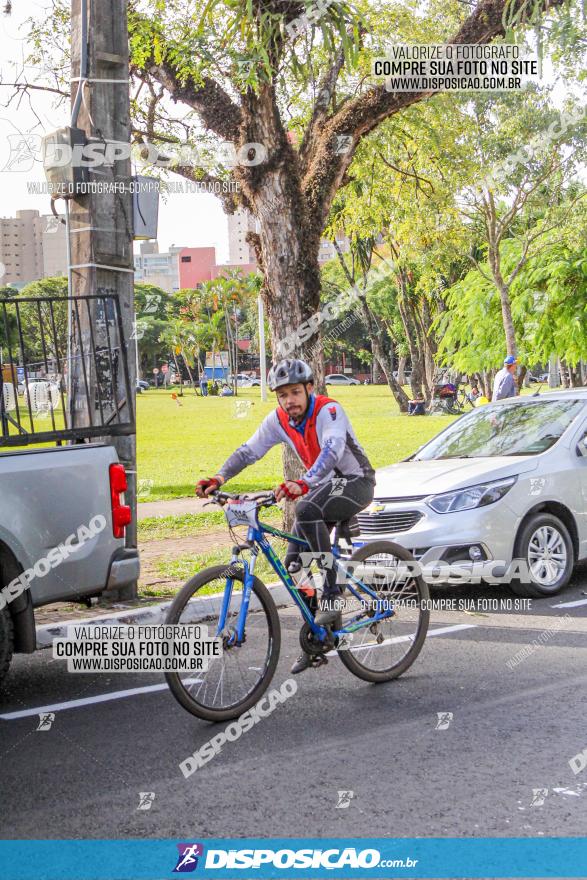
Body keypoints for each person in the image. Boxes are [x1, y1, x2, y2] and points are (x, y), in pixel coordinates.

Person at [196, 358, 376, 674]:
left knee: (305, 508)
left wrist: (302, 482)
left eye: (295, 392)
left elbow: (332, 451)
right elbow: (248, 451)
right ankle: (316, 640)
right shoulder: (278, 420)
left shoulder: (328, 410)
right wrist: (219, 478)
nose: (289, 400)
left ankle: (332, 598)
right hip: (322, 488)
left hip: (355, 481)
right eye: (282, 395)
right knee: (294, 564)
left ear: (309, 388)